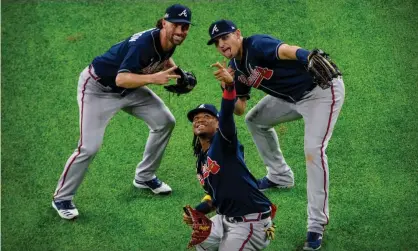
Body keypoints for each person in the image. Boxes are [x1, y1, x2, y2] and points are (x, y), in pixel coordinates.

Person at [206, 20, 345, 250]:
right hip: (291, 98)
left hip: (321, 93)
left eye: (225, 37)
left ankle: (316, 225)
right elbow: (239, 109)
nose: (221, 44)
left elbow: (285, 50)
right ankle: (280, 175)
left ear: (238, 34)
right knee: (255, 120)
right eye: (217, 42)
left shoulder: (256, 44)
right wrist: (229, 87)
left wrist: (306, 56)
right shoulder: (236, 68)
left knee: (314, 151)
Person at [52, 4, 193, 220]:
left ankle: (145, 177)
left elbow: (163, 58)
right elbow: (121, 78)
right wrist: (153, 79)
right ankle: (61, 197)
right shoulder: (144, 44)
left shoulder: (169, 40)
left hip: (129, 89)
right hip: (98, 89)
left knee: (165, 121)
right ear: (164, 23)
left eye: (185, 27)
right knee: (89, 147)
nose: (180, 32)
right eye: (176, 25)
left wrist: (179, 74)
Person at [183, 62, 276, 251]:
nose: (199, 119)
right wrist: (199, 210)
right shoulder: (202, 158)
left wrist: (230, 87)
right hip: (225, 217)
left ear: (217, 125)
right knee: (203, 240)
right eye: (196, 118)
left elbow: (226, 115)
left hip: (250, 222)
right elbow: (213, 194)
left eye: (207, 117)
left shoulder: (225, 143)